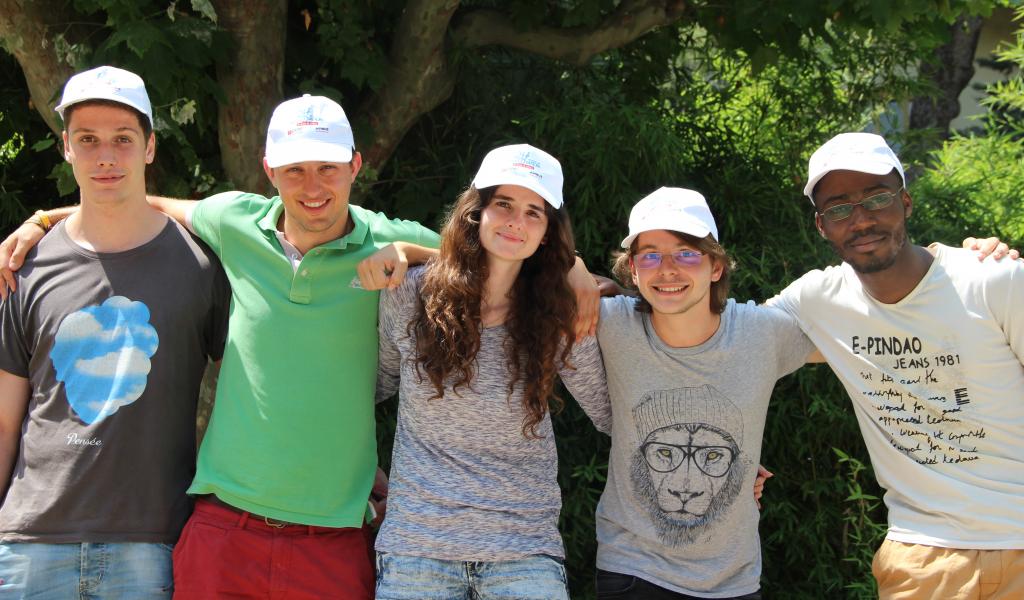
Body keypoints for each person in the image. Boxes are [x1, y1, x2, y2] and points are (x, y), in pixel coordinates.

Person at [0, 66, 229, 598]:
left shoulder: (202, 267)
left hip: (152, 545)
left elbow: (254, 390)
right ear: (66, 149)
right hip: (29, 546)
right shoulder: (25, 267)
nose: (106, 157)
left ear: (149, 147)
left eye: (123, 140)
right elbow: (5, 424)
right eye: (88, 140)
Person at [769, 132, 1024, 599]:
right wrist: (598, 288)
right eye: (839, 208)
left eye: (877, 199)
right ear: (822, 226)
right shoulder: (818, 301)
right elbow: (721, 339)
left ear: (905, 202)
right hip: (925, 558)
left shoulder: (994, 279)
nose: (861, 220)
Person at [374, 144, 612, 599]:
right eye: (503, 204)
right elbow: (374, 388)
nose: (515, 222)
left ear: (547, 233)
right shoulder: (408, 293)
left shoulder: (561, 314)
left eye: (533, 212)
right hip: (416, 552)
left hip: (524, 555)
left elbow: (610, 413)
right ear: (475, 213)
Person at [592, 187, 817, 599]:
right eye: (651, 255)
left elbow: (859, 338)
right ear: (633, 270)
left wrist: (952, 265)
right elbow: (525, 276)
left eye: (687, 253)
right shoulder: (610, 324)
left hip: (734, 580)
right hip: (633, 568)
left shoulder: (761, 332)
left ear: (716, 266)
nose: (668, 269)